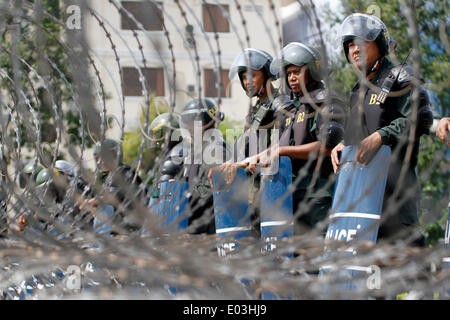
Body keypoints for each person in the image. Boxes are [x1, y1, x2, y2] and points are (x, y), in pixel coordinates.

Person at [331, 13, 434, 245]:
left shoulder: (401, 76)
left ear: (379, 44)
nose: (354, 49)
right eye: (349, 45)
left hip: (395, 201)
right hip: (363, 202)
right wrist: (342, 146)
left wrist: (380, 136)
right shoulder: (358, 90)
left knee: (407, 275)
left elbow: (421, 118)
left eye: (360, 42)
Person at [229, 42, 345, 234]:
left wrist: (279, 151)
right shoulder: (298, 107)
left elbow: (326, 146)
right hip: (294, 194)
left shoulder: (325, 101)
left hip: (319, 194)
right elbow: (276, 148)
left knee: (316, 256)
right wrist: (250, 161)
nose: (291, 78)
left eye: (297, 72)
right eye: (289, 73)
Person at [180, 98, 230, 234]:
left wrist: (190, 190)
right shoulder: (197, 150)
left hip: (212, 228)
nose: (189, 129)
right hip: (197, 225)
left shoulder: (217, 151)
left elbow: (211, 193)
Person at [79, 138, 146, 235]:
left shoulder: (124, 172)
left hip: (132, 225)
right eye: (98, 158)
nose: (101, 161)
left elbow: (114, 197)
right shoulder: (105, 177)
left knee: (104, 207)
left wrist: (91, 202)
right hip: (117, 225)